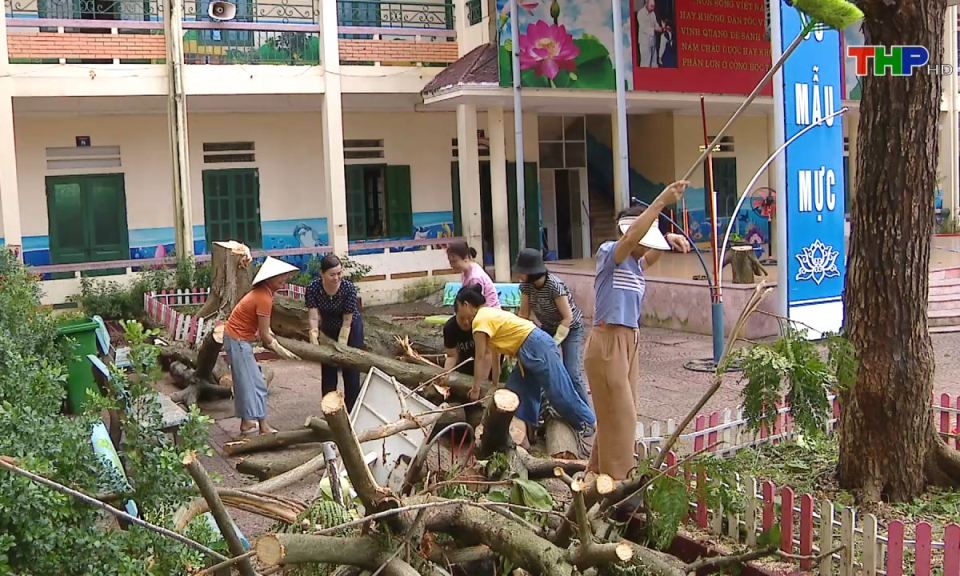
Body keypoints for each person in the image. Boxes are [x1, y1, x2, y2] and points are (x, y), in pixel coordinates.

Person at [584, 181, 691, 482]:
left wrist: (667, 238)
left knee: (616, 415)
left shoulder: (636, 265)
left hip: (630, 340)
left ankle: (596, 476)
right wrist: (661, 201)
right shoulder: (610, 253)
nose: (647, 243)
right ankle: (619, 483)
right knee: (622, 417)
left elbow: (650, 252)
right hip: (608, 341)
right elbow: (632, 237)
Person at [454, 284, 596, 454]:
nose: (462, 319)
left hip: (534, 346)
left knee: (559, 391)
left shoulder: (479, 321)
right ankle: (526, 440)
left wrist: (476, 389)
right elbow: (495, 356)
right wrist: (494, 384)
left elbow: (480, 357)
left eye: (459, 310)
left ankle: (590, 422)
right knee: (516, 390)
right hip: (528, 350)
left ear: (465, 304)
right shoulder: (488, 314)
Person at [223, 256, 301, 436]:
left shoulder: (263, 294)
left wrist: (273, 338)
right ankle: (263, 426)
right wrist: (281, 350)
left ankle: (246, 423)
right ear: (269, 279)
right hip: (238, 340)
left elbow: (263, 328)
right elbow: (265, 335)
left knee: (243, 382)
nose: (284, 279)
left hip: (235, 338)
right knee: (256, 382)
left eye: (285, 275)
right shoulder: (263, 297)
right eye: (280, 276)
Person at [515, 248, 588, 405]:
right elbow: (524, 314)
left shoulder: (554, 285)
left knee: (571, 372)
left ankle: (586, 413)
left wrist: (555, 342)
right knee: (540, 366)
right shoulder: (526, 286)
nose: (518, 274)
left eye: (521, 271)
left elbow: (567, 317)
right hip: (547, 326)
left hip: (570, 328)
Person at [306, 254, 365, 413]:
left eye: (339, 273)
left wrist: (342, 345)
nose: (337, 278)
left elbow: (347, 320)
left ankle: (352, 411)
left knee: (350, 370)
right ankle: (330, 411)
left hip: (350, 328)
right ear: (322, 273)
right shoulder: (313, 288)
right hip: (328, 328)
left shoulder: (348, 288)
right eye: (332, 274)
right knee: (328, 369)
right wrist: (314, 339)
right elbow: (313, 317)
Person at [447, 242, 501, 308]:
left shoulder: (475, 277)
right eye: (450, 261)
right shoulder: (467, 271)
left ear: (466, 258)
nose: (451, 265)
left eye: (454, 261)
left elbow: (477, 304)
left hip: (489, 311)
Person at [636, 0, 662, 68]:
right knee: (645, 63)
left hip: (653, 41)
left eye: (654, 6)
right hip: (645, 42)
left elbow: (655, 23)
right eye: (651, 6)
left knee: (654, 63)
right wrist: (655, 29)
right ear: (646, 4)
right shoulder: (641, 13)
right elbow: (643, 28)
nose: (653, 8)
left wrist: (659, 28)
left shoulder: (653, 13)